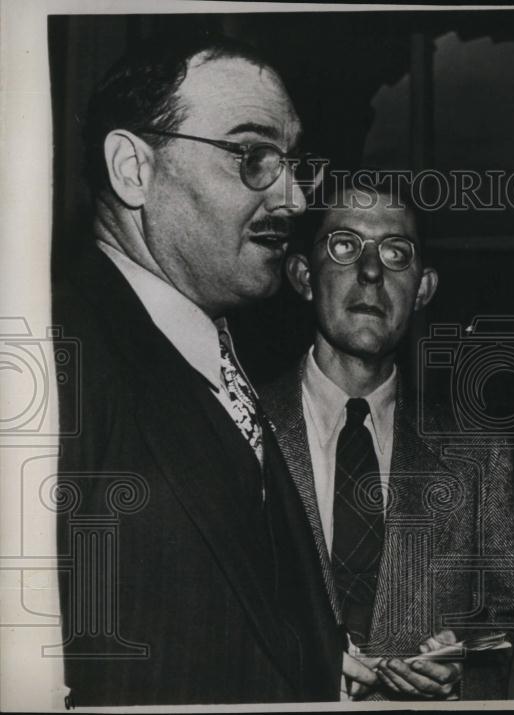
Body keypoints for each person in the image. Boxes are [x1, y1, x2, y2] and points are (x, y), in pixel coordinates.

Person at [53, 35, 357, 704]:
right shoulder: (56, 355)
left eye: (292, 162)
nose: (295, 201)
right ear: (133, 168)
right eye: (251, 156)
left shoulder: (209, 347)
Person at [259, 180, 514, 700]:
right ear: (304, 276)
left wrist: (463, 666)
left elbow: (508, 633)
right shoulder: (242, 425)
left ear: (422, 289)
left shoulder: (478, 452)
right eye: (345, 245)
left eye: (396, 252)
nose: (372, 271)